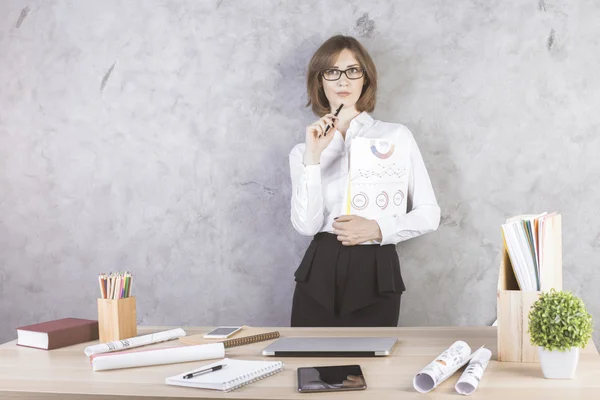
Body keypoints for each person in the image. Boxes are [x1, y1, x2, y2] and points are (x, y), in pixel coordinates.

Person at [288, 35, 441, 327]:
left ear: (365, 78)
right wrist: (313, 158)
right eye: (332, 72)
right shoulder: (303, 150)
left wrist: (377, 228)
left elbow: (429, 213)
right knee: (310, 367)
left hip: (376, 269)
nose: (343, 81)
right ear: (320, 81)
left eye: (352, 70)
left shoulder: (396, 136)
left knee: (368, 370)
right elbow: (306, 226)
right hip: (318, 270)